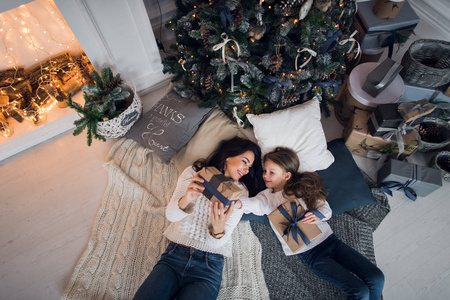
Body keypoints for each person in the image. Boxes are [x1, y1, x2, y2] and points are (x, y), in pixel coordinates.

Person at [238, 147, 385, 300]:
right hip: (312, 255)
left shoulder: (302, 189)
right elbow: (252, 204)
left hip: (332, 242)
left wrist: (317, 214)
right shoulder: (266, 198)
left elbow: (325, 209)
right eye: (264, 171)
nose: (265, 176)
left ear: (287, 175)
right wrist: (235, 203)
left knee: (377, 278)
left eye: (271, 172)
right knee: (360, 291)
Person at [133, 137, 261, 300]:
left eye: (249, 166)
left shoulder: (241, 193)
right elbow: (171, 216)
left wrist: (218, 228)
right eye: (244, 161)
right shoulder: (194, 173)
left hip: (209, 266)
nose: (246, 169)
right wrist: (187, 198)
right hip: (174, 256)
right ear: (229, 155)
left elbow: (217, 243)